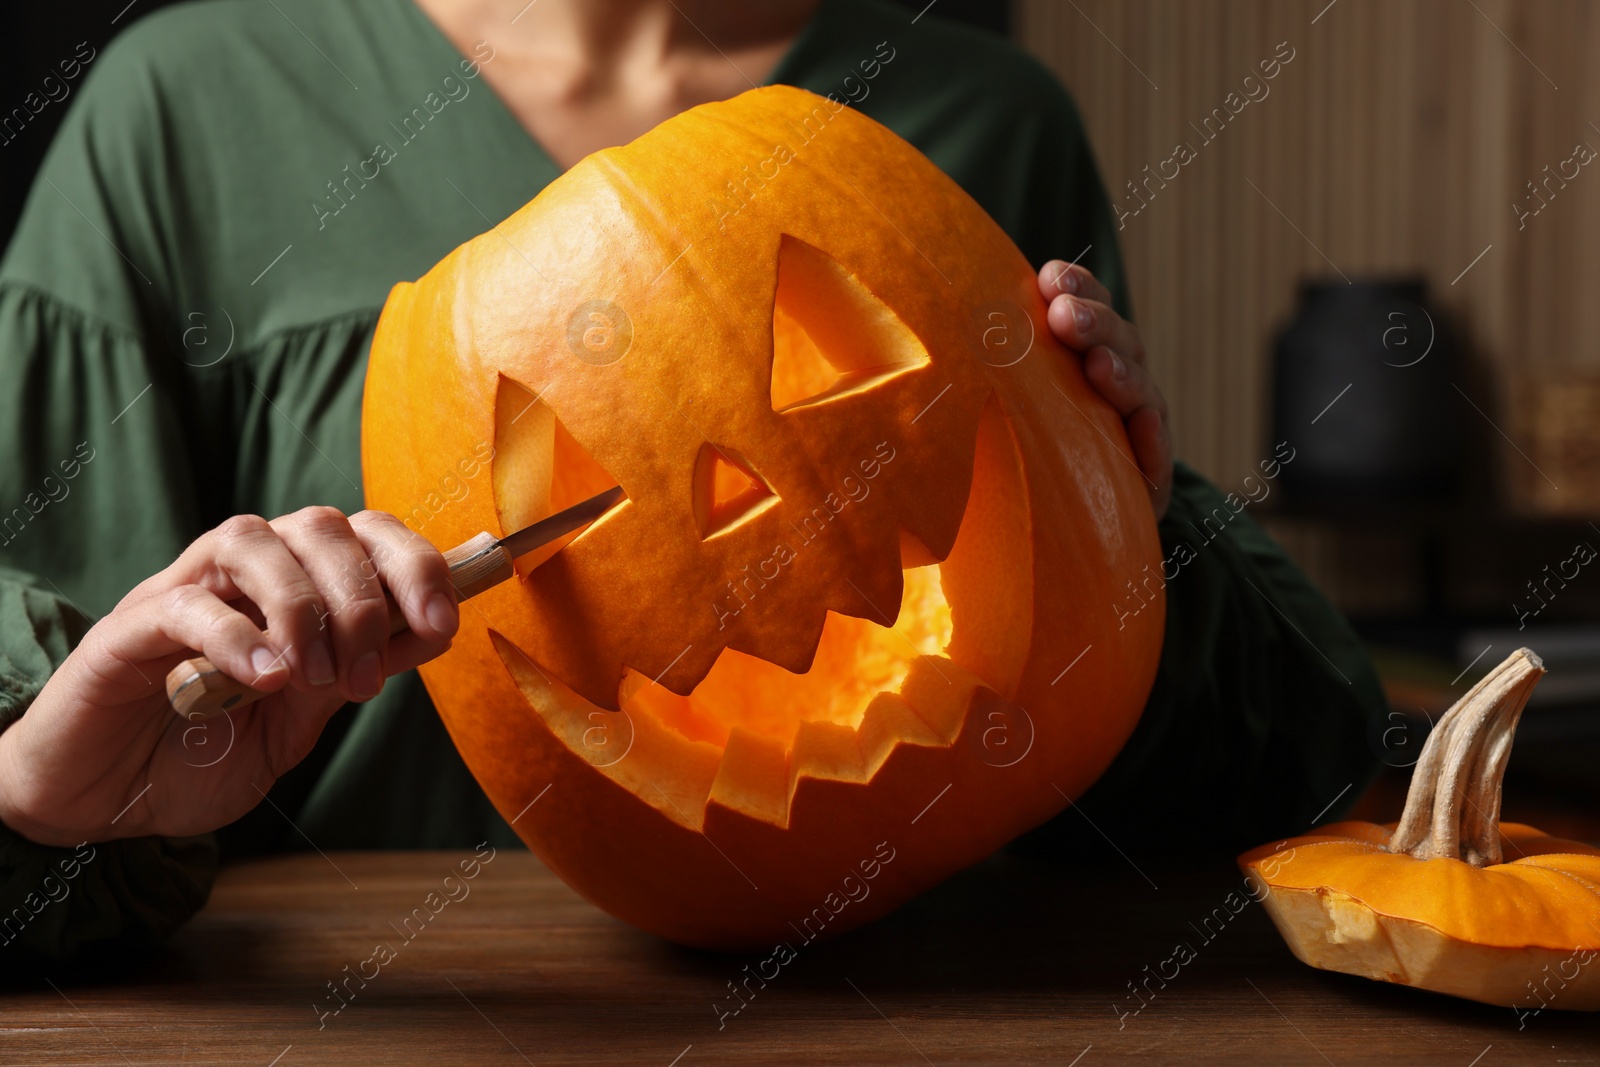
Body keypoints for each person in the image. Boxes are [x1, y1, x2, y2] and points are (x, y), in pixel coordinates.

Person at [0, 0, 1385, 966]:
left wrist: (1140, 528)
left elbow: (1243, 755)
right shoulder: (176, 108)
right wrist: (34, 797)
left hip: (964, 1011)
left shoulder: (988, 113)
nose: (744, 503)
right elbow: (60, 733)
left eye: (825, 368)